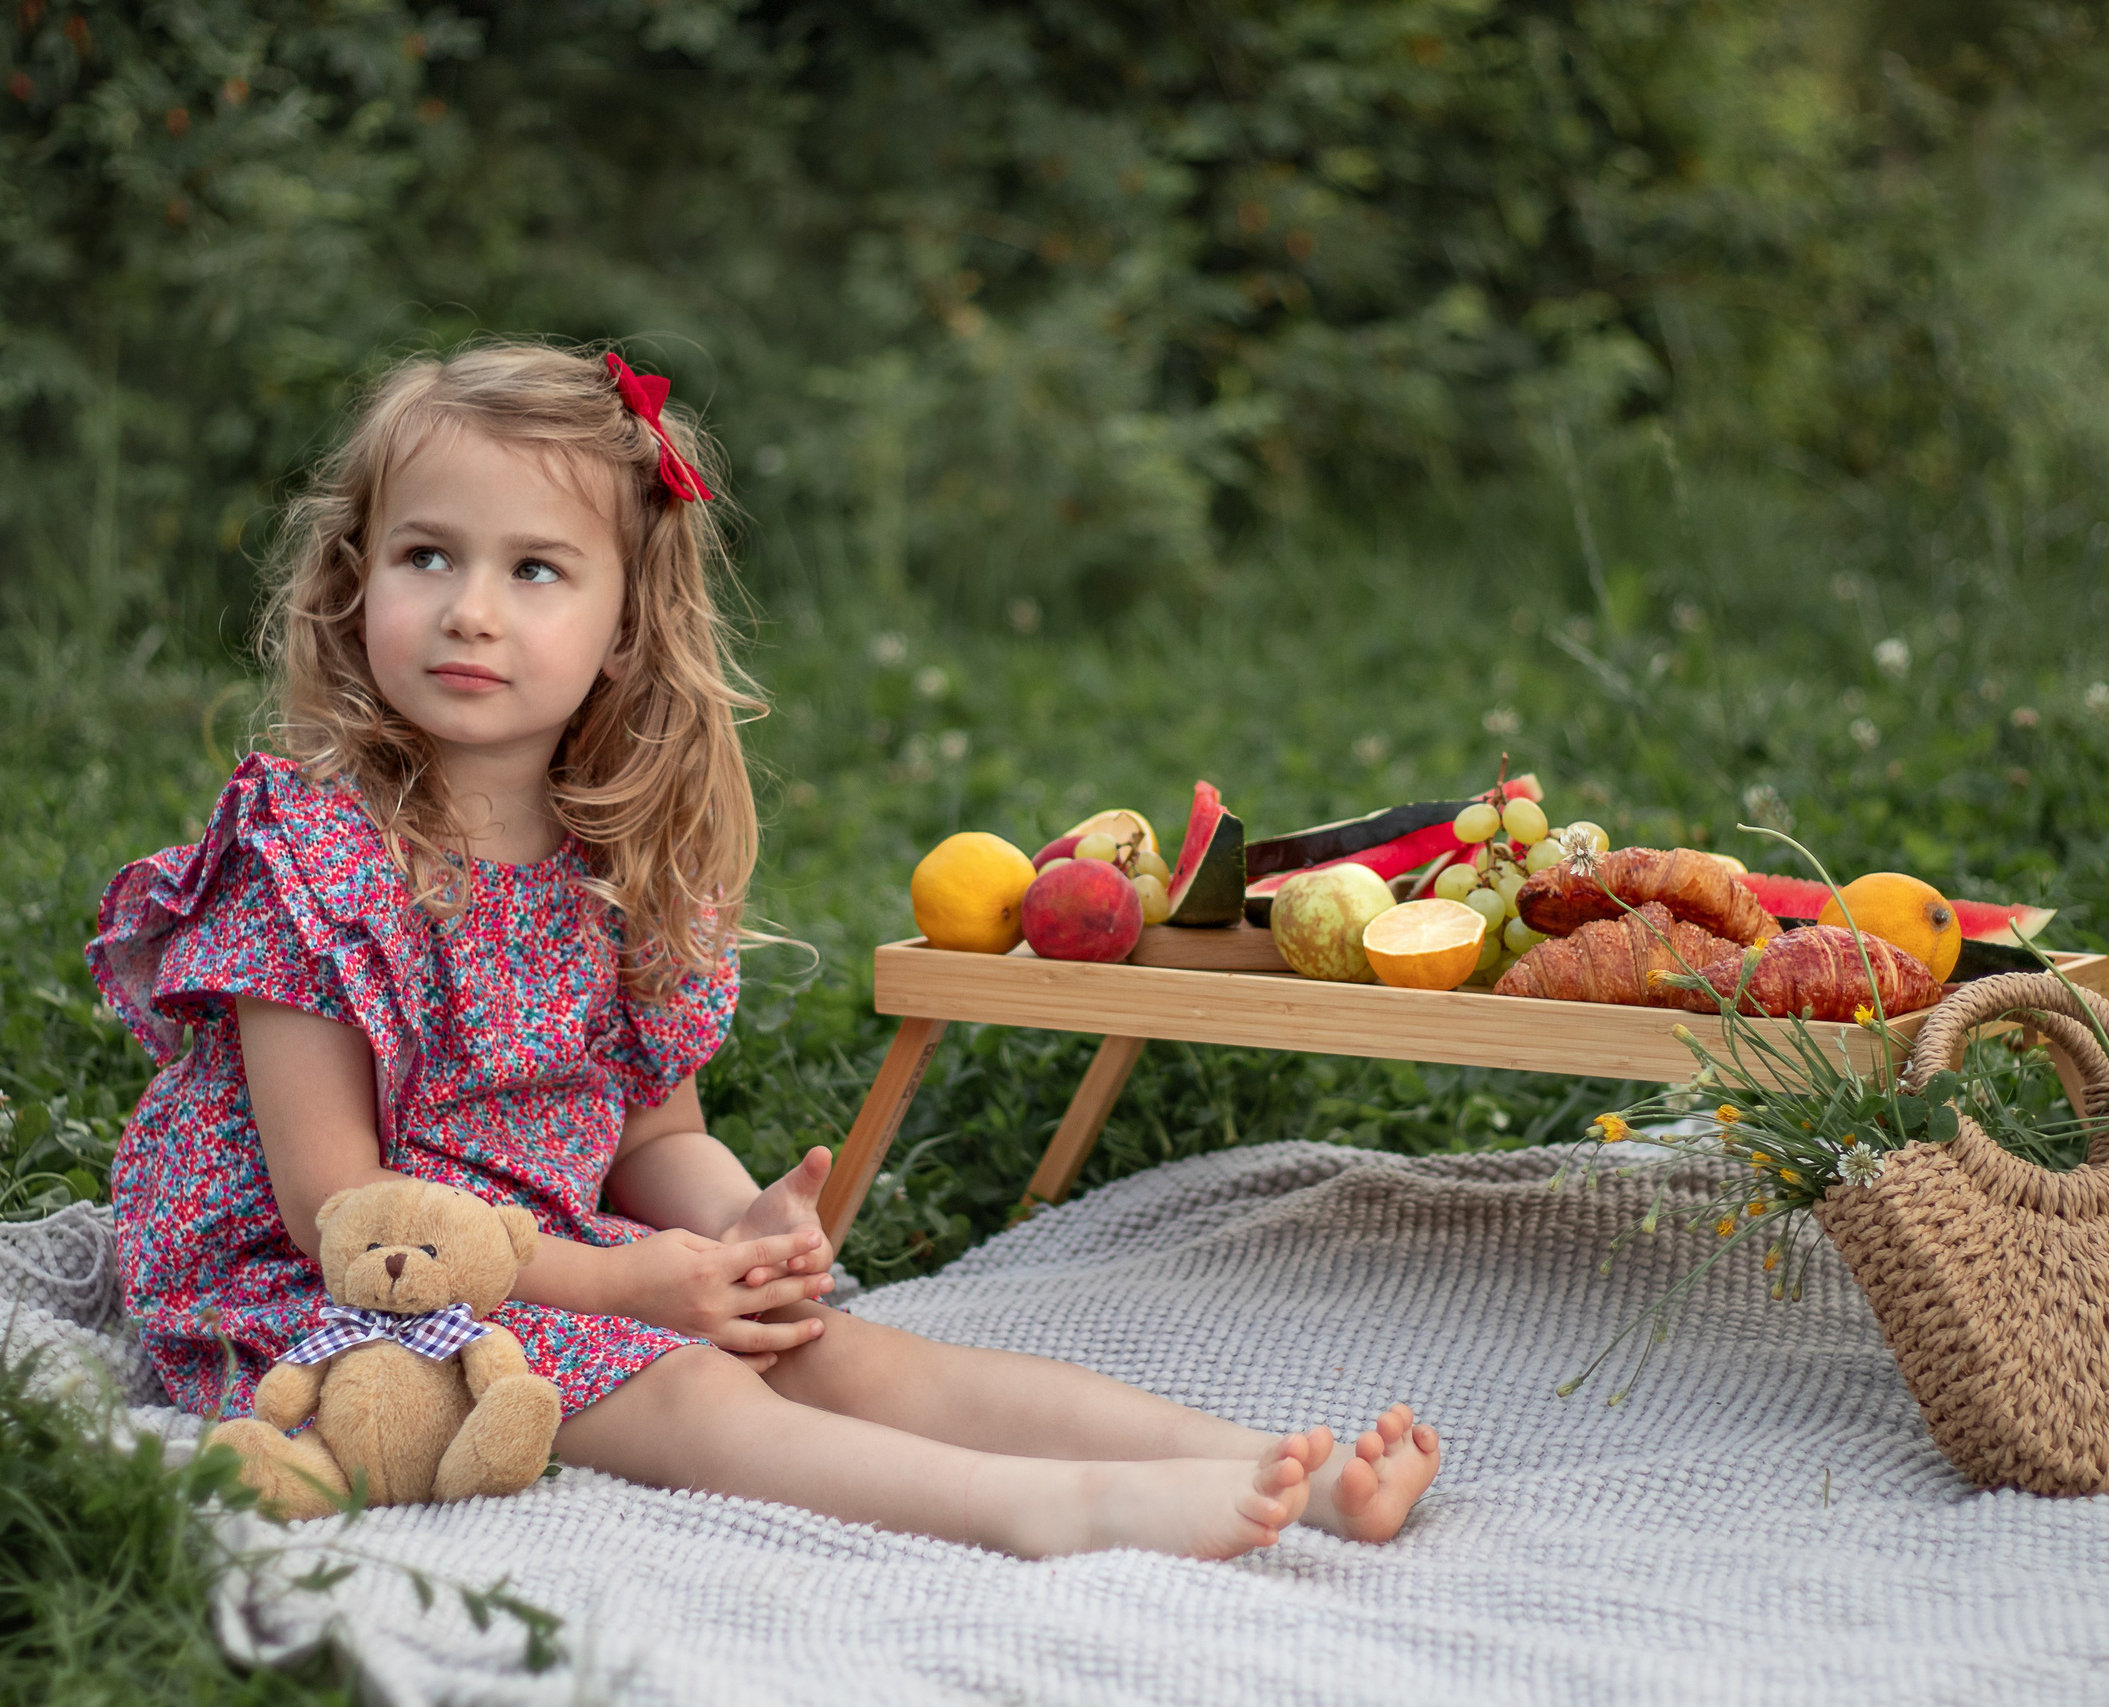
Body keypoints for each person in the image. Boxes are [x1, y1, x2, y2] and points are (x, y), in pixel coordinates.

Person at [87, 342, 1439, 1558]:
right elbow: (340, 1211)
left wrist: (738, 1229)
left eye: (534, 569)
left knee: (833, 1349)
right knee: (683, 1385)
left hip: (554, 1243)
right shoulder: (311, 862)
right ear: (354, 579)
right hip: (334, 1284)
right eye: (426, 556)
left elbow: (649, 1135)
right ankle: (1056, 1513)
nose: (471, 610)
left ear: (624, 632)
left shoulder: (613, 868)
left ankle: (1263, 1467)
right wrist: (634, 1287)